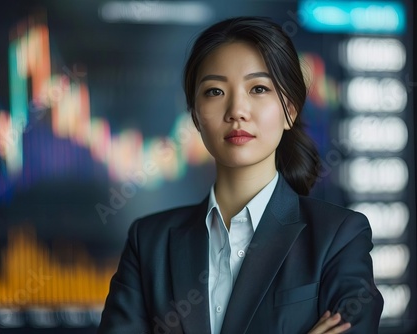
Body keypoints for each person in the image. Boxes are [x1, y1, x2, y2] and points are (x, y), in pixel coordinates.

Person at [98, 16, 383, 334]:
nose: (236, 110)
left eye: (258, 88)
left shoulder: (339, 236)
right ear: (194, 115)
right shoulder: (149, 242)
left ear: (290, 109)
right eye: (215, 92)